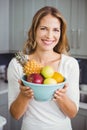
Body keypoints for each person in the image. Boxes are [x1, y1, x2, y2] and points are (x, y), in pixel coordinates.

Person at [7, 6, 80, 130]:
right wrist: (24, 96)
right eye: (44, 28)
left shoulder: (70, 64)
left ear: (61, 33)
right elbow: (15, 115)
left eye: (56, 30)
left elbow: (72, 113)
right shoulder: (17, 64)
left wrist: (61, 96)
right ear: (34, 31)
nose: (49, 35)